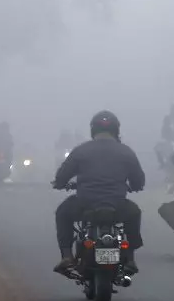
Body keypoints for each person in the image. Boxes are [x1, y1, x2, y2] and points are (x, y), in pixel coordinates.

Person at [52, 111, 145, 275]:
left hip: (85, 203)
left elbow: (62, 176)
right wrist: (135, 186)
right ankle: (130, 258)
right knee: (134, 213)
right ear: (116, 130)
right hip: (117, 205)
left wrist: (60, 184)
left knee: (62, 213)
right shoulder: (126, 151)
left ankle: (67, 255)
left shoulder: (81, 150)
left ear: (93, 130)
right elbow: (138, 180)